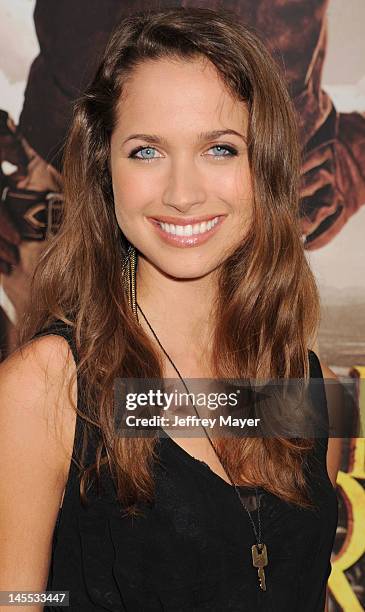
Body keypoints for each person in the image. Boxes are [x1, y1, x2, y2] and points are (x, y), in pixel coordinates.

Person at [0, 7, 341, 611]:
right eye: (146, 152)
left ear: (264, 166)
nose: (183, 194)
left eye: (219, 149)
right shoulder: (45, 387)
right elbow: (18, 598)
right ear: (105, 170)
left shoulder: (302, 380)